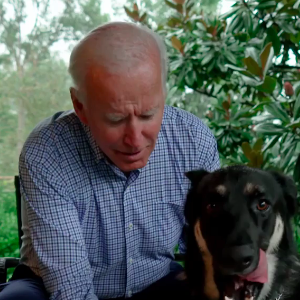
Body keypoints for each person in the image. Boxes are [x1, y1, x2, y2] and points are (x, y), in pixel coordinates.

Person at [0, 21, 220, 300]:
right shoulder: (48, 150)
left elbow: (211, 251)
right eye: (115, 119)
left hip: (155, 283)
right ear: (80, 106)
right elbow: (72, 291)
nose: (135, 139)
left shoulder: (193, 140)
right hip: (50, 287)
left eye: (148, 115)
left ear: (163, 96)